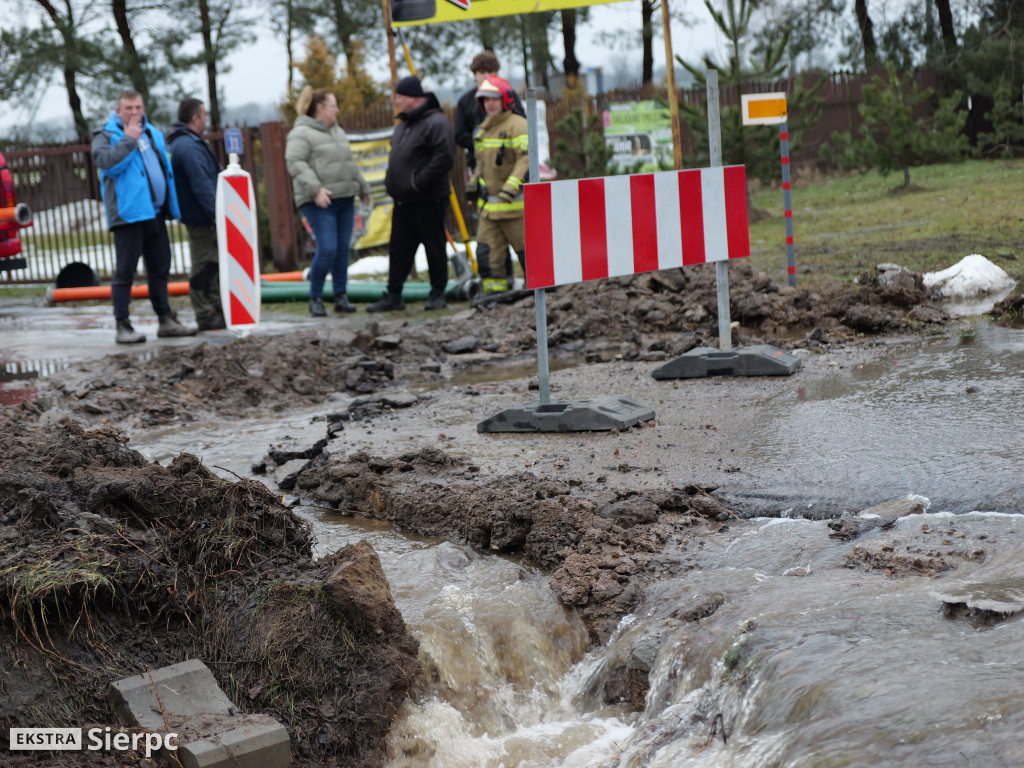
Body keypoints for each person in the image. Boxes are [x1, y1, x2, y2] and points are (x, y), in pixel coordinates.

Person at [91, 89, 196, 343]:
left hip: (155, 213)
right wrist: (128, 139)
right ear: (118, 111)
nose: (134, 112)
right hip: (128, 215)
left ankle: (165, 320)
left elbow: (163, 167)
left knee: (160, 268)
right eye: (129, 108)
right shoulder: (105, 136)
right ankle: (122, 325)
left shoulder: (152, 133)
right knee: (125, 271)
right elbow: (107, 163)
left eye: (138, 107)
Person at [368, 76, 455, 313]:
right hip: (403, 200)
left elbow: (444, 157)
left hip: (428, 198)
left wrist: (418, 183)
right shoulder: (404, 125)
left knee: (433, 247)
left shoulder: (436, 122)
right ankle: (393, 295)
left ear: (414, 97)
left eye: (400, 96)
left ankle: (438, 293)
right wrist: (392, 181)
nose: (396, 101)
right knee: (399, 249)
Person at [285, 86, 371, 316]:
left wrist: (363, 188)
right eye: (334, 105)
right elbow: (295, 162)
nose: (337, 110)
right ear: (321, 108)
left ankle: (340, 296)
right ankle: (315, 297)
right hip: (319, 202)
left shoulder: (337, 132)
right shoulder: (301, 133)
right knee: (328, 249)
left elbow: (349, 163)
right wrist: (315, 189)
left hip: (345, 198)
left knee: (342, 250)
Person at [453, 51, 523, 282]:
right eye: (482, 72)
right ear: (474, 74)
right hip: (483, 175)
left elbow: (522, 136)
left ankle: (532, 285)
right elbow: (460, 136)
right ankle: (498, 284)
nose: (486, 76)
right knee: (490, 243)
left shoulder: (512, 104)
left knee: (521, 241)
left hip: (511, 182)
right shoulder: (467, 102)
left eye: (491, 72)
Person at [167, 97, 226, 331]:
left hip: (201, 215)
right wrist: (217, 213)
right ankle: (205, 314)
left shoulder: (187, 143)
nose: (206, 119)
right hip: (201, 217)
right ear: (195, 118)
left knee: (212, 263)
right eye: (204, 114)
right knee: (204, 265)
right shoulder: (189, 146)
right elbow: (201, 184)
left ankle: (214, 308)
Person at [467, 76, 528, 294]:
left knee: (529, 253)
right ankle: (495, 297)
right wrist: (473, 187)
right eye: (486, 100)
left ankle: (541, 296)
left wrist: (509, 189)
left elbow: (526, 159)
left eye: (494, 99)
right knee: (487, 254)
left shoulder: (518, 125)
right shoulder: (482, 130)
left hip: (516, 208)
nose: (490, 103)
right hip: (489, 209)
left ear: (505, 100)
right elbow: (481, 164)